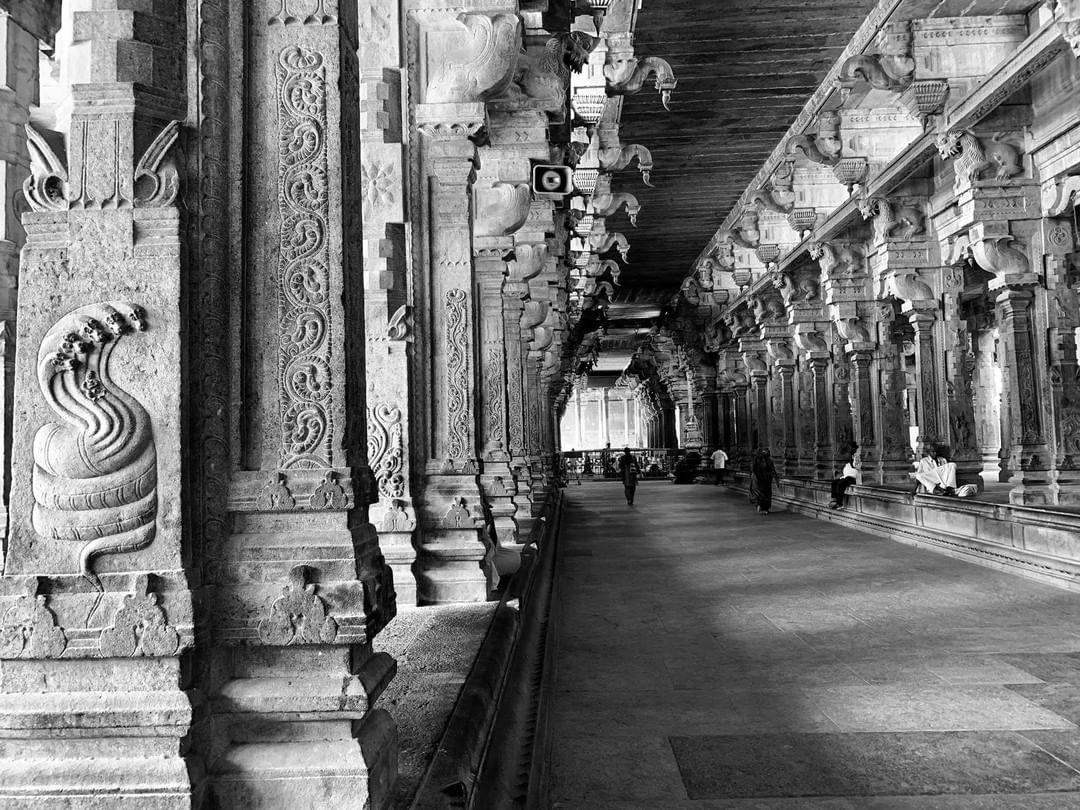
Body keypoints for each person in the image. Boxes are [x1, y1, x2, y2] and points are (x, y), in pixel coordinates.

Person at [750, 447, 778, 515]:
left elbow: (773, 470)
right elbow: (773, 470)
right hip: (761, 480)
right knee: (763, 494)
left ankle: (763, 507)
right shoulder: (761, 460)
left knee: (763, 494)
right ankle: (763, 507)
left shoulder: (764, 460)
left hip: (764, 480)